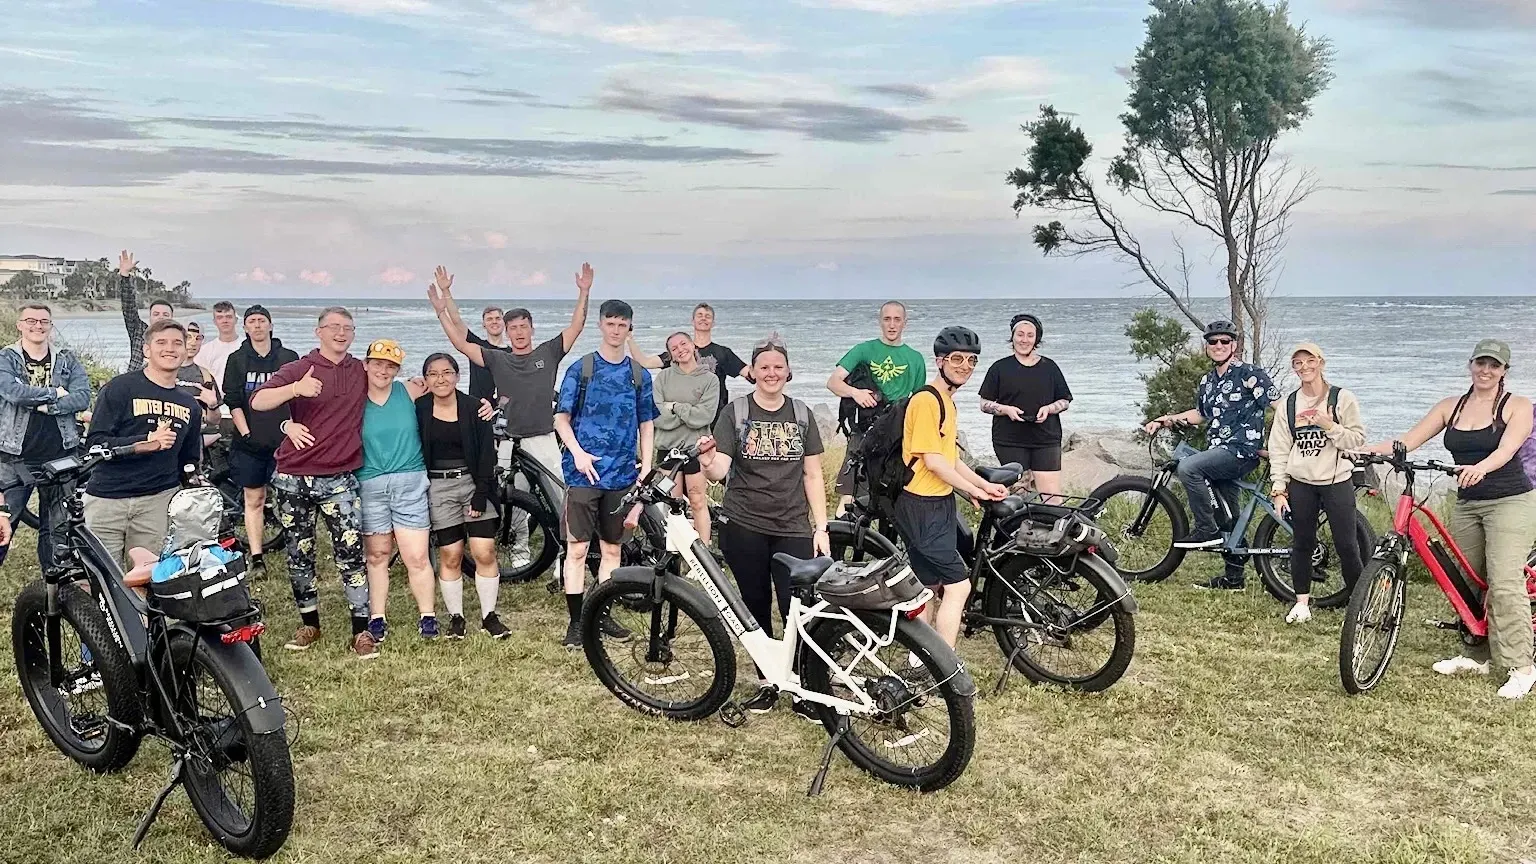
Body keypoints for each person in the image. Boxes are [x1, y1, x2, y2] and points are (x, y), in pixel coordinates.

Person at [1358, 339, 1536, 699]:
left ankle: (1522, 667)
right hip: (1468, 502)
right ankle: (1476, 656)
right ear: (1470, 365)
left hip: (1511, 500)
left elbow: (1506, 449)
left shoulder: (1516, 406)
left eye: (1494, 365)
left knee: (1503, 582)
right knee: (1467, 581)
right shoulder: (1450, 407)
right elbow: (1408, 441)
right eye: (1480, 363)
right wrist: (1366, 450)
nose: (1486, 371)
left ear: (1504, 371)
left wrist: (1481, 467)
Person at [698, 336, 828, 716]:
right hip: (744, 524)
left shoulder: (801, 414)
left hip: (793, 526)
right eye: (764, 367)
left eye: (778, 367)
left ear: (788, 371)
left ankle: (802, 687)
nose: (771, 373)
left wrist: (821, 527)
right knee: (754, 606)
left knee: (798, 610)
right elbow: (720, 470)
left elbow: (813, 475)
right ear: (752, 372)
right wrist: (707, 461)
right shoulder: (735, 412)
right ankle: (768, 682)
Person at [428, 264, 590, 568]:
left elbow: (576, 326)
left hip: (542, 438)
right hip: (507, 441)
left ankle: (566, 556)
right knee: (513, 497)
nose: (518, 332)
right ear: (507, 331)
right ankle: (520, 552)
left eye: (523, 326)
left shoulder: (548, 353)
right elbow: (461, 344)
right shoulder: (497, 359)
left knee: (561, 496)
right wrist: (441, 312)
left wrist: (584, 291)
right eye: (512, 328)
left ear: (531, 329)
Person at [250, 307, 376, 660]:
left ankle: (361, 630)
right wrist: (294, 393)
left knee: (351, 555)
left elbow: (389, 383)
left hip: (340, 478)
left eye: (348, 327)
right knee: (299, 554)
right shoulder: (299, 368)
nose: (341, 333)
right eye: (333, 326)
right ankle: (310, 624)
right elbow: (258, 401)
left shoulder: (359, 370)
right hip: (294, 478)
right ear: (318, 331)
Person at [1143, 320, 1279, 590]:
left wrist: (1292, 435)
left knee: (1189, 468)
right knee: (1229, 514)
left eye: (1224, 341)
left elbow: (1279, 405)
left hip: (1240, 451)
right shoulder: (1208, 381)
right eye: (1212, 341)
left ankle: (1205, 530)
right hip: (1218, 451)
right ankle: (1234, 578)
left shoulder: (1250, 374)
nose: (1218, 346)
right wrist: (1167, 419)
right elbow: (1201, 414)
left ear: (1234, 345)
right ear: (1206, 346)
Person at [552, 298, 658, 648]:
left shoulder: (639, 375)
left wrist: (646, 465)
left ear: (630, 328)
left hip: (622, 475)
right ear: (601, 325)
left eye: (622, 325)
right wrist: (578, 453)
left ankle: (602, 613)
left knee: (612, 549)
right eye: (610, 323)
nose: (616, 330)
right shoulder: (581, 368)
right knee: (577, 549)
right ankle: (576, 622)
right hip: (583, 475)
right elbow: (561, 419)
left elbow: (646, 423)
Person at [895, 327, 1008, 649]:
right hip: (920, 506)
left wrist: (981, 485)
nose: (965, 366)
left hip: (939, 503)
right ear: (940, 361)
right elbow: (933, 462)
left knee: (928, 586)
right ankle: (946, 663)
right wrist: (973, 490)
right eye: (957, 359)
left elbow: (950, 458)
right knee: (959, 587)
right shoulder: (926, 401)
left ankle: (922, 657)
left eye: (971, 361)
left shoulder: (946, 401)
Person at [83, 320, 202, 570]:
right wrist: (144, 442)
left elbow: (189, 460)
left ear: (185, 351)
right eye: (161, 342)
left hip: (157, 501)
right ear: (146, 350)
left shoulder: (189, 404)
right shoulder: (120, 388)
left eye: (177, 343)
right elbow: (95, 443)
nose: (170, 349)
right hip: (107, 498)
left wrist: (195, 488)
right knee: (101, 575)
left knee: (147, 576)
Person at [1267, 343, 1367, 624]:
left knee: (1347, 544)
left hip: (1336, 481)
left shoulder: (1342, 398)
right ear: (1294, 368)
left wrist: (1329, 425)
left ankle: (1360, 604)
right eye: (1298, 363)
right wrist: (1279, 489)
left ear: (1321, 363)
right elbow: (1279, 449)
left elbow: (1357, 440)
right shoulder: (1289, 405)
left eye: (1310, 361)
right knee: (1302, 542)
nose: (1305, 367)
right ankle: (1301, 604)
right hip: (1302, 483)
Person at [351, 339, 439, 644]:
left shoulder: (409, 391)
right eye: (377, 364)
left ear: (398, 370)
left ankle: (427, 616)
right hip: (370, 483)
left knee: (416, 556)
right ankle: (377, 617)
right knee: (377, 556)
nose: (383, 371)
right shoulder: (354, 398)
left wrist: (484, 405)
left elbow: (444, 391)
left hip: (409, 482)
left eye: (390, 366)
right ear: (365, 365)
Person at [417, 353, 507, 640]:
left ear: (457, 376)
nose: (440, 379)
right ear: (426, 379)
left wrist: (481, 493)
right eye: (433, 374)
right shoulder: (419, 408)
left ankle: (489, 616)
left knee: (484, 551)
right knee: (451, 554)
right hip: (438, 487)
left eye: (447, 372)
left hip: (473, 483)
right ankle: (456, 618)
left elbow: (487, 453)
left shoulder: (474, 408)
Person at [0, 303, 92, 572]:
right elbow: (12, 392)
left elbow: (82, 397)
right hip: (13, 456)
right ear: (19, 325)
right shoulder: (6, 358)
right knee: (3, 522)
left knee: (56, 529)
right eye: (31, 320)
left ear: (51, 326)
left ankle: (52, 587)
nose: (37, 326)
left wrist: (45, 406)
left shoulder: (67, 359)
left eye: (44, 321)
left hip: (61, 454)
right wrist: (56, 393)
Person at [827, 301, 927, 515]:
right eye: (887, 319)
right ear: (880, 321)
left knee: (893, 493)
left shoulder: (916, 359)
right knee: (850, 494)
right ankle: (841, 533)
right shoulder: (864, 350)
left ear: (905, 323)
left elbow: (919, 403)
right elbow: (833, 382)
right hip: (865, 430)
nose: (892, 325)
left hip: (896, 435)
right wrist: (856, 393)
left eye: (897, 319)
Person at [221, 305, 299, 572]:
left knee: (291, 501)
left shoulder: (288, 357)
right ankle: (256, 557)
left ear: (270, 325)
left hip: (285, 442)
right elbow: (233, 401)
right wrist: (246, 433)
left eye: (261, 320)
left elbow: (298, 398)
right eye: (251, 321)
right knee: (254, 499)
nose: (257, 325)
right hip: (250, 443)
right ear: (245, 328)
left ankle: (297, 553)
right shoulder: (237, 359)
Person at [978, 313, 1072, 498]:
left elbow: (1065, 401)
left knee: (1052, 496)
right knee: (1019, 496)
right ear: (1012, 337)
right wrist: (1005, 410)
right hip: (1009, 440)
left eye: (1030, 335)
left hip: (1046, 438)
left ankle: (1052, 518)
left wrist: (1049, 409)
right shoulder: (999, 368)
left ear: (1037, 339)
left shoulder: (1050, 367)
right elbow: (984, 403)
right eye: (1020, 334)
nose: (1024, 340)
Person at [651, 332, 720, 543]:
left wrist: (675, 407)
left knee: (698, 501)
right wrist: (689, 413)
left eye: (683, 343)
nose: (680, 349)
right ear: (671, 355)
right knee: (672, 504)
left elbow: (704, 416)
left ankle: (703, 552)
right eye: (674, 348)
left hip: (696, 450)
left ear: (692, 345)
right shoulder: (662, 378)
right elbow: (656, 416)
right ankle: (676, 551)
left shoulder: (710, 379)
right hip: (668, 451)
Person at [631, 303, 748, 420]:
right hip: (682, 418)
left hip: (714, 418)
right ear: (692, 321)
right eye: (699, 315)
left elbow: (751, 374)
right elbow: (644, 362)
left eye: (708, 316)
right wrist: (629, 338)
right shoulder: (679, 353)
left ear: (713, 323)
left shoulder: (723, 353)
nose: (703, 318)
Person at [116, 250, 172, 373]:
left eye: (165, 314)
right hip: (134, 381)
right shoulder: (139, 330)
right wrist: (125, 275)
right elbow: (129, 306)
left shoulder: (175, 340)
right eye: (156, 314)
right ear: (150, 317)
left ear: (172, 318)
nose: (161, 317)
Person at [178, 322, 223, 457]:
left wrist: (212, 405)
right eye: (188, 337)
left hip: (193, 444)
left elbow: (214, 421)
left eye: (198, 338)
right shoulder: (162, 371)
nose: (193, 343)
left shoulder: (205, 376)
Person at [464, 305, 511, 401]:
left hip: (502, 407)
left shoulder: (512, 353)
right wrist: (446, 300)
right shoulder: (477, 345)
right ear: (484, 324)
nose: (494, 322)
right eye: (489, 319)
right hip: (476, 405)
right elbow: (456, 322)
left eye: (498, 318)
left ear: (504, 323)